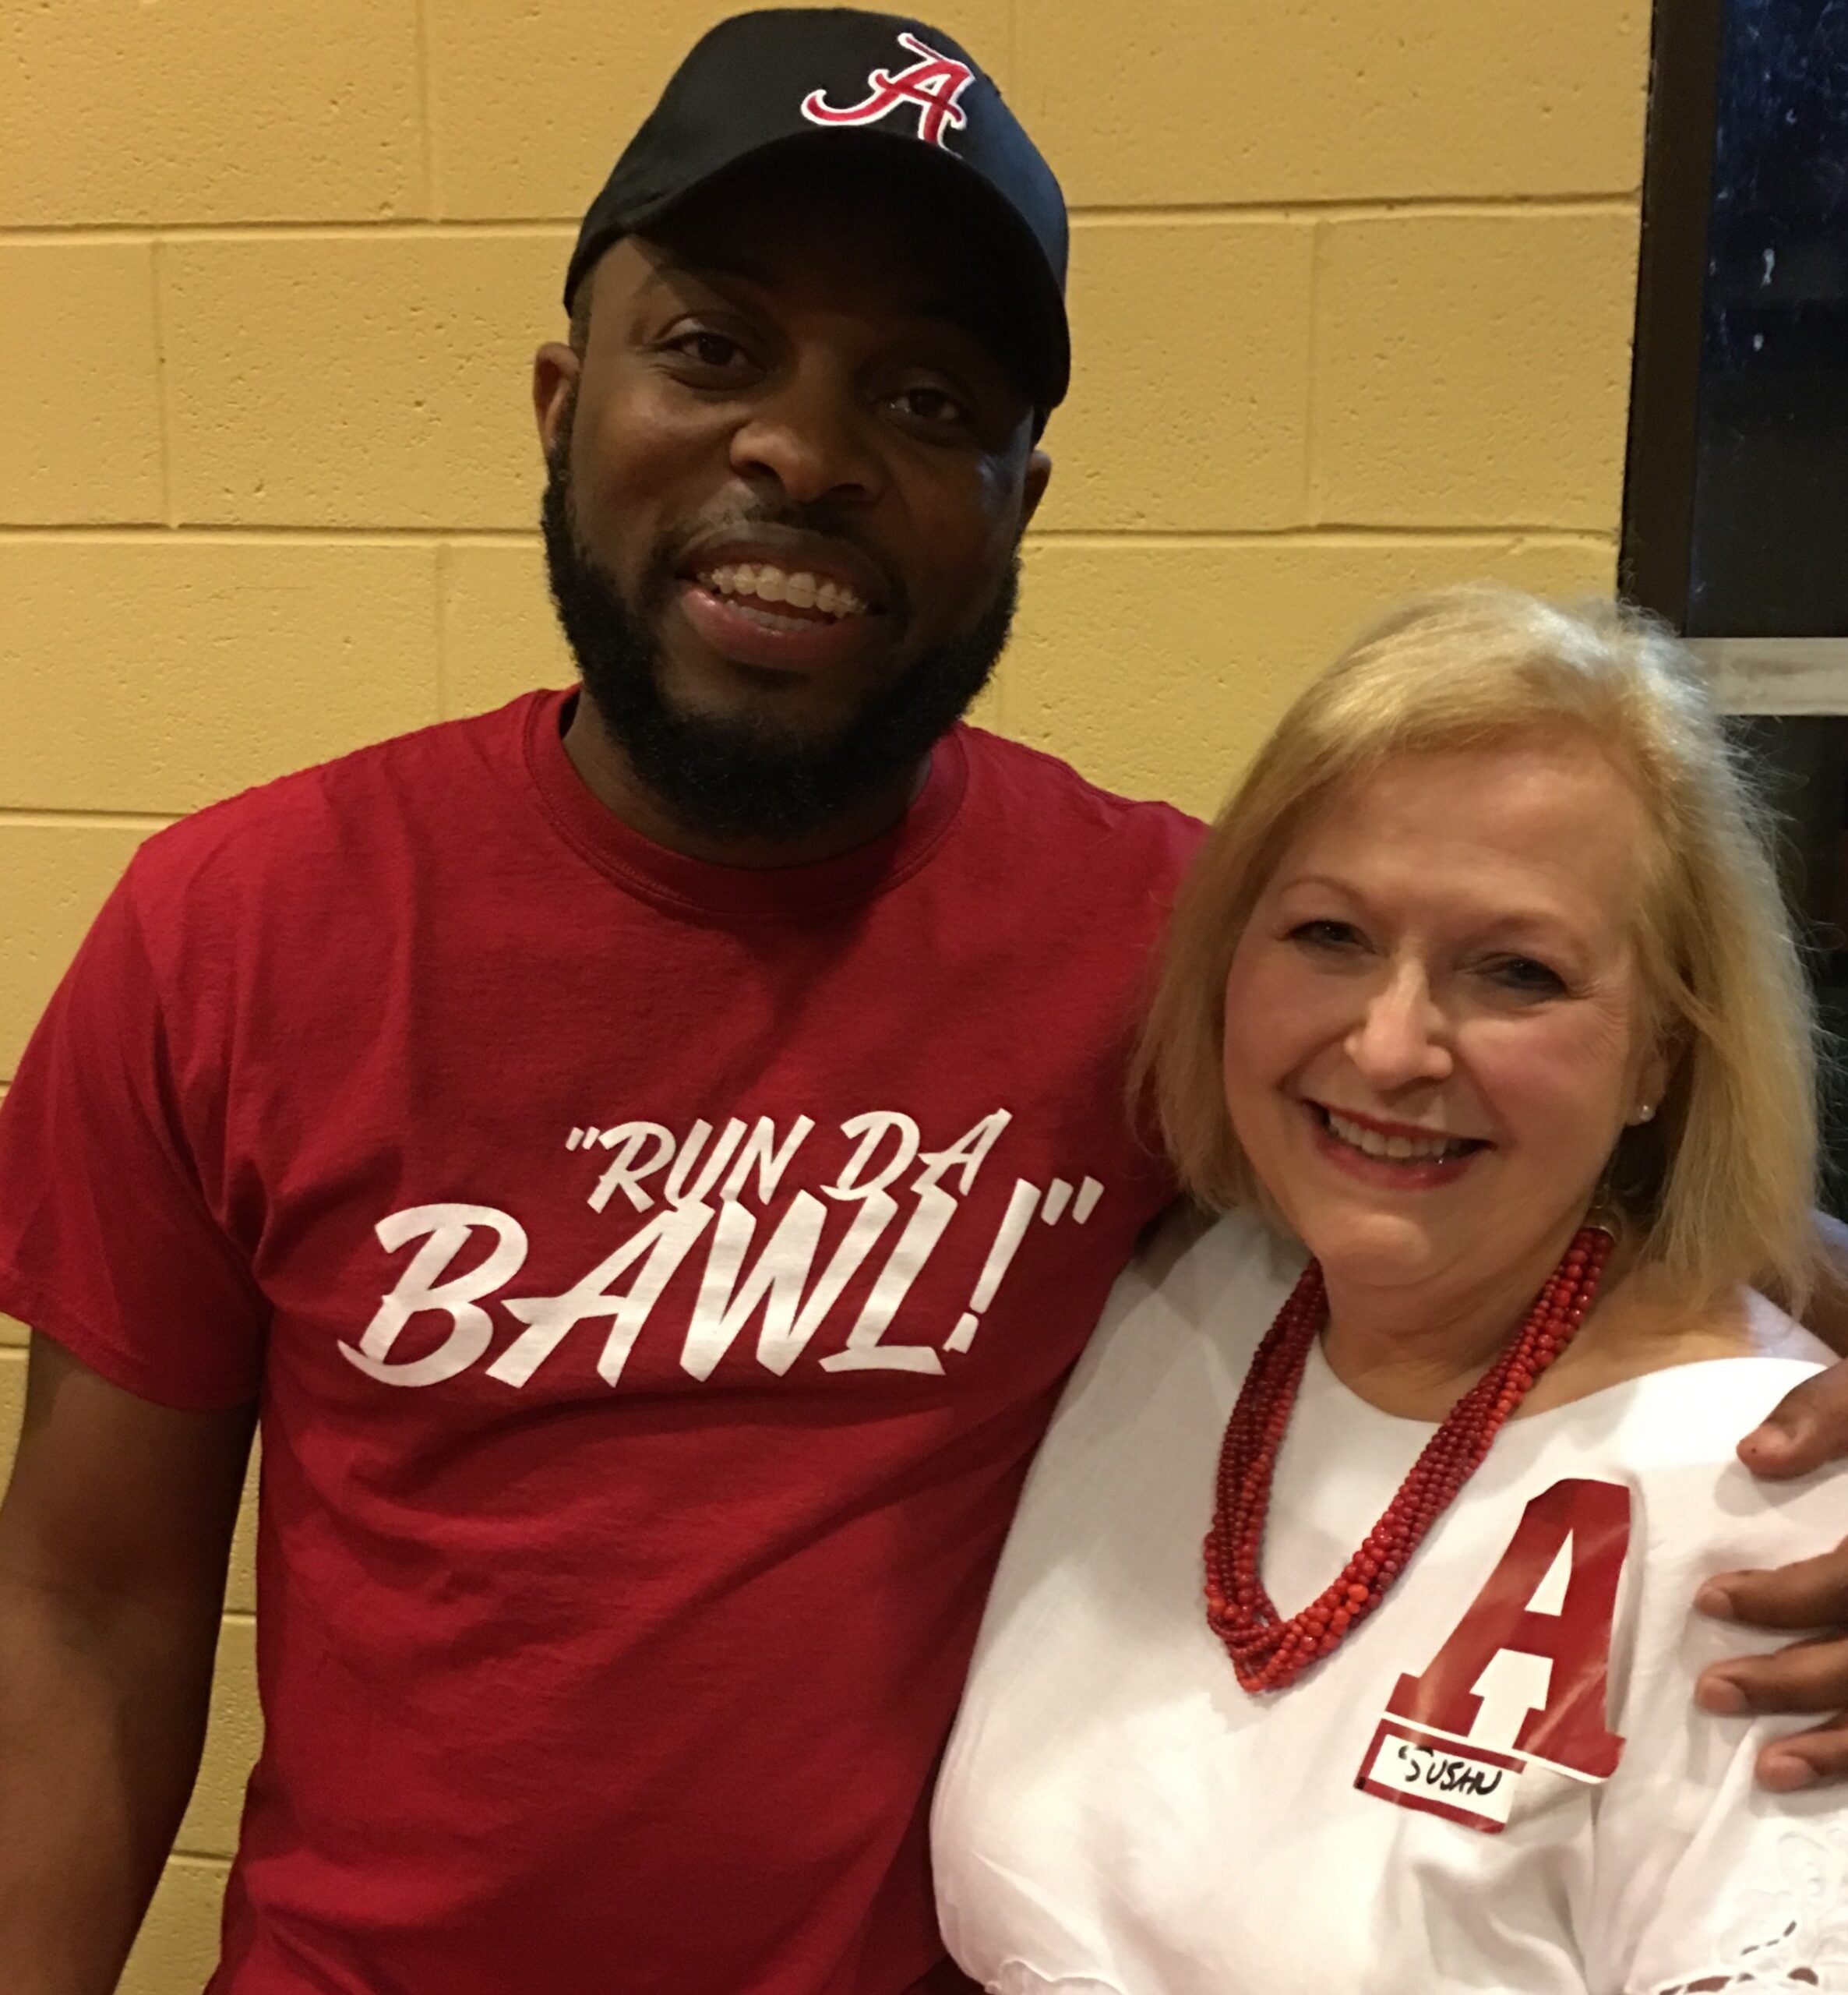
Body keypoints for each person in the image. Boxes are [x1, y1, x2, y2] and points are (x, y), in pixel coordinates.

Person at [0, 12, 1844, 1994]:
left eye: (923, 395)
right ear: (559, 402)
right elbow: (87, 1612)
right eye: (712, 348)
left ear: (1017, 498)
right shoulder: (239, 927)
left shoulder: (1184, 948)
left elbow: (1566, 1166)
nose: (802, 452)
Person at [933, 588, 1848, 1993]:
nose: (1391, 1045)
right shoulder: (1178, 1284)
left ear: (1662, 1054)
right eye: (1329, 936)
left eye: (1518, 972)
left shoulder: (1771, 1507)